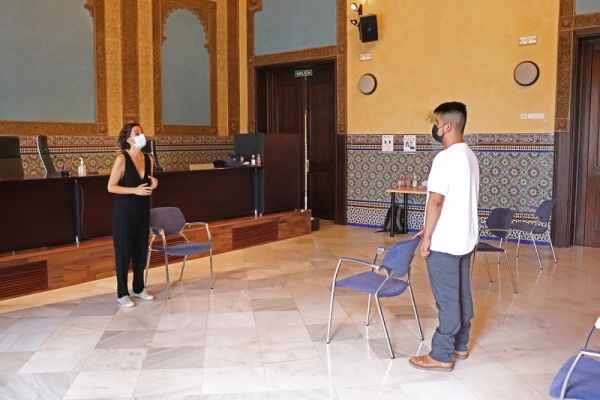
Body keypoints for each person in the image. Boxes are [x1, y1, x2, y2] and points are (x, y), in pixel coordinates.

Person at [409, 101, 479, 372]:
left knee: (447, 300)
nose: (435, 128)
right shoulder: (469, 155)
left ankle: (440, 355)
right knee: (462, 294)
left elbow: (436, 201)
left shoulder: (446, 157)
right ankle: (461, 345)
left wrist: (428, 238)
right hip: (465, 239)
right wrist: (428, 229)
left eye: (437, 123)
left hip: (446, 242)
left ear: (447, 126)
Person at [108, 123, 159, 308]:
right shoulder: (122, 159)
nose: (141, 135)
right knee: (123, 253)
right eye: (137, 133)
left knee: (140, 251)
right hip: (124, 212)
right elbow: (111, 186)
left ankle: (139, 288)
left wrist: (153, 184)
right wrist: (134, 190)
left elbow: (147, 185)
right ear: (129, 139)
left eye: (141, 132)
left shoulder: (149, 159)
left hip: (142, 211)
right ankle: (122, 293)